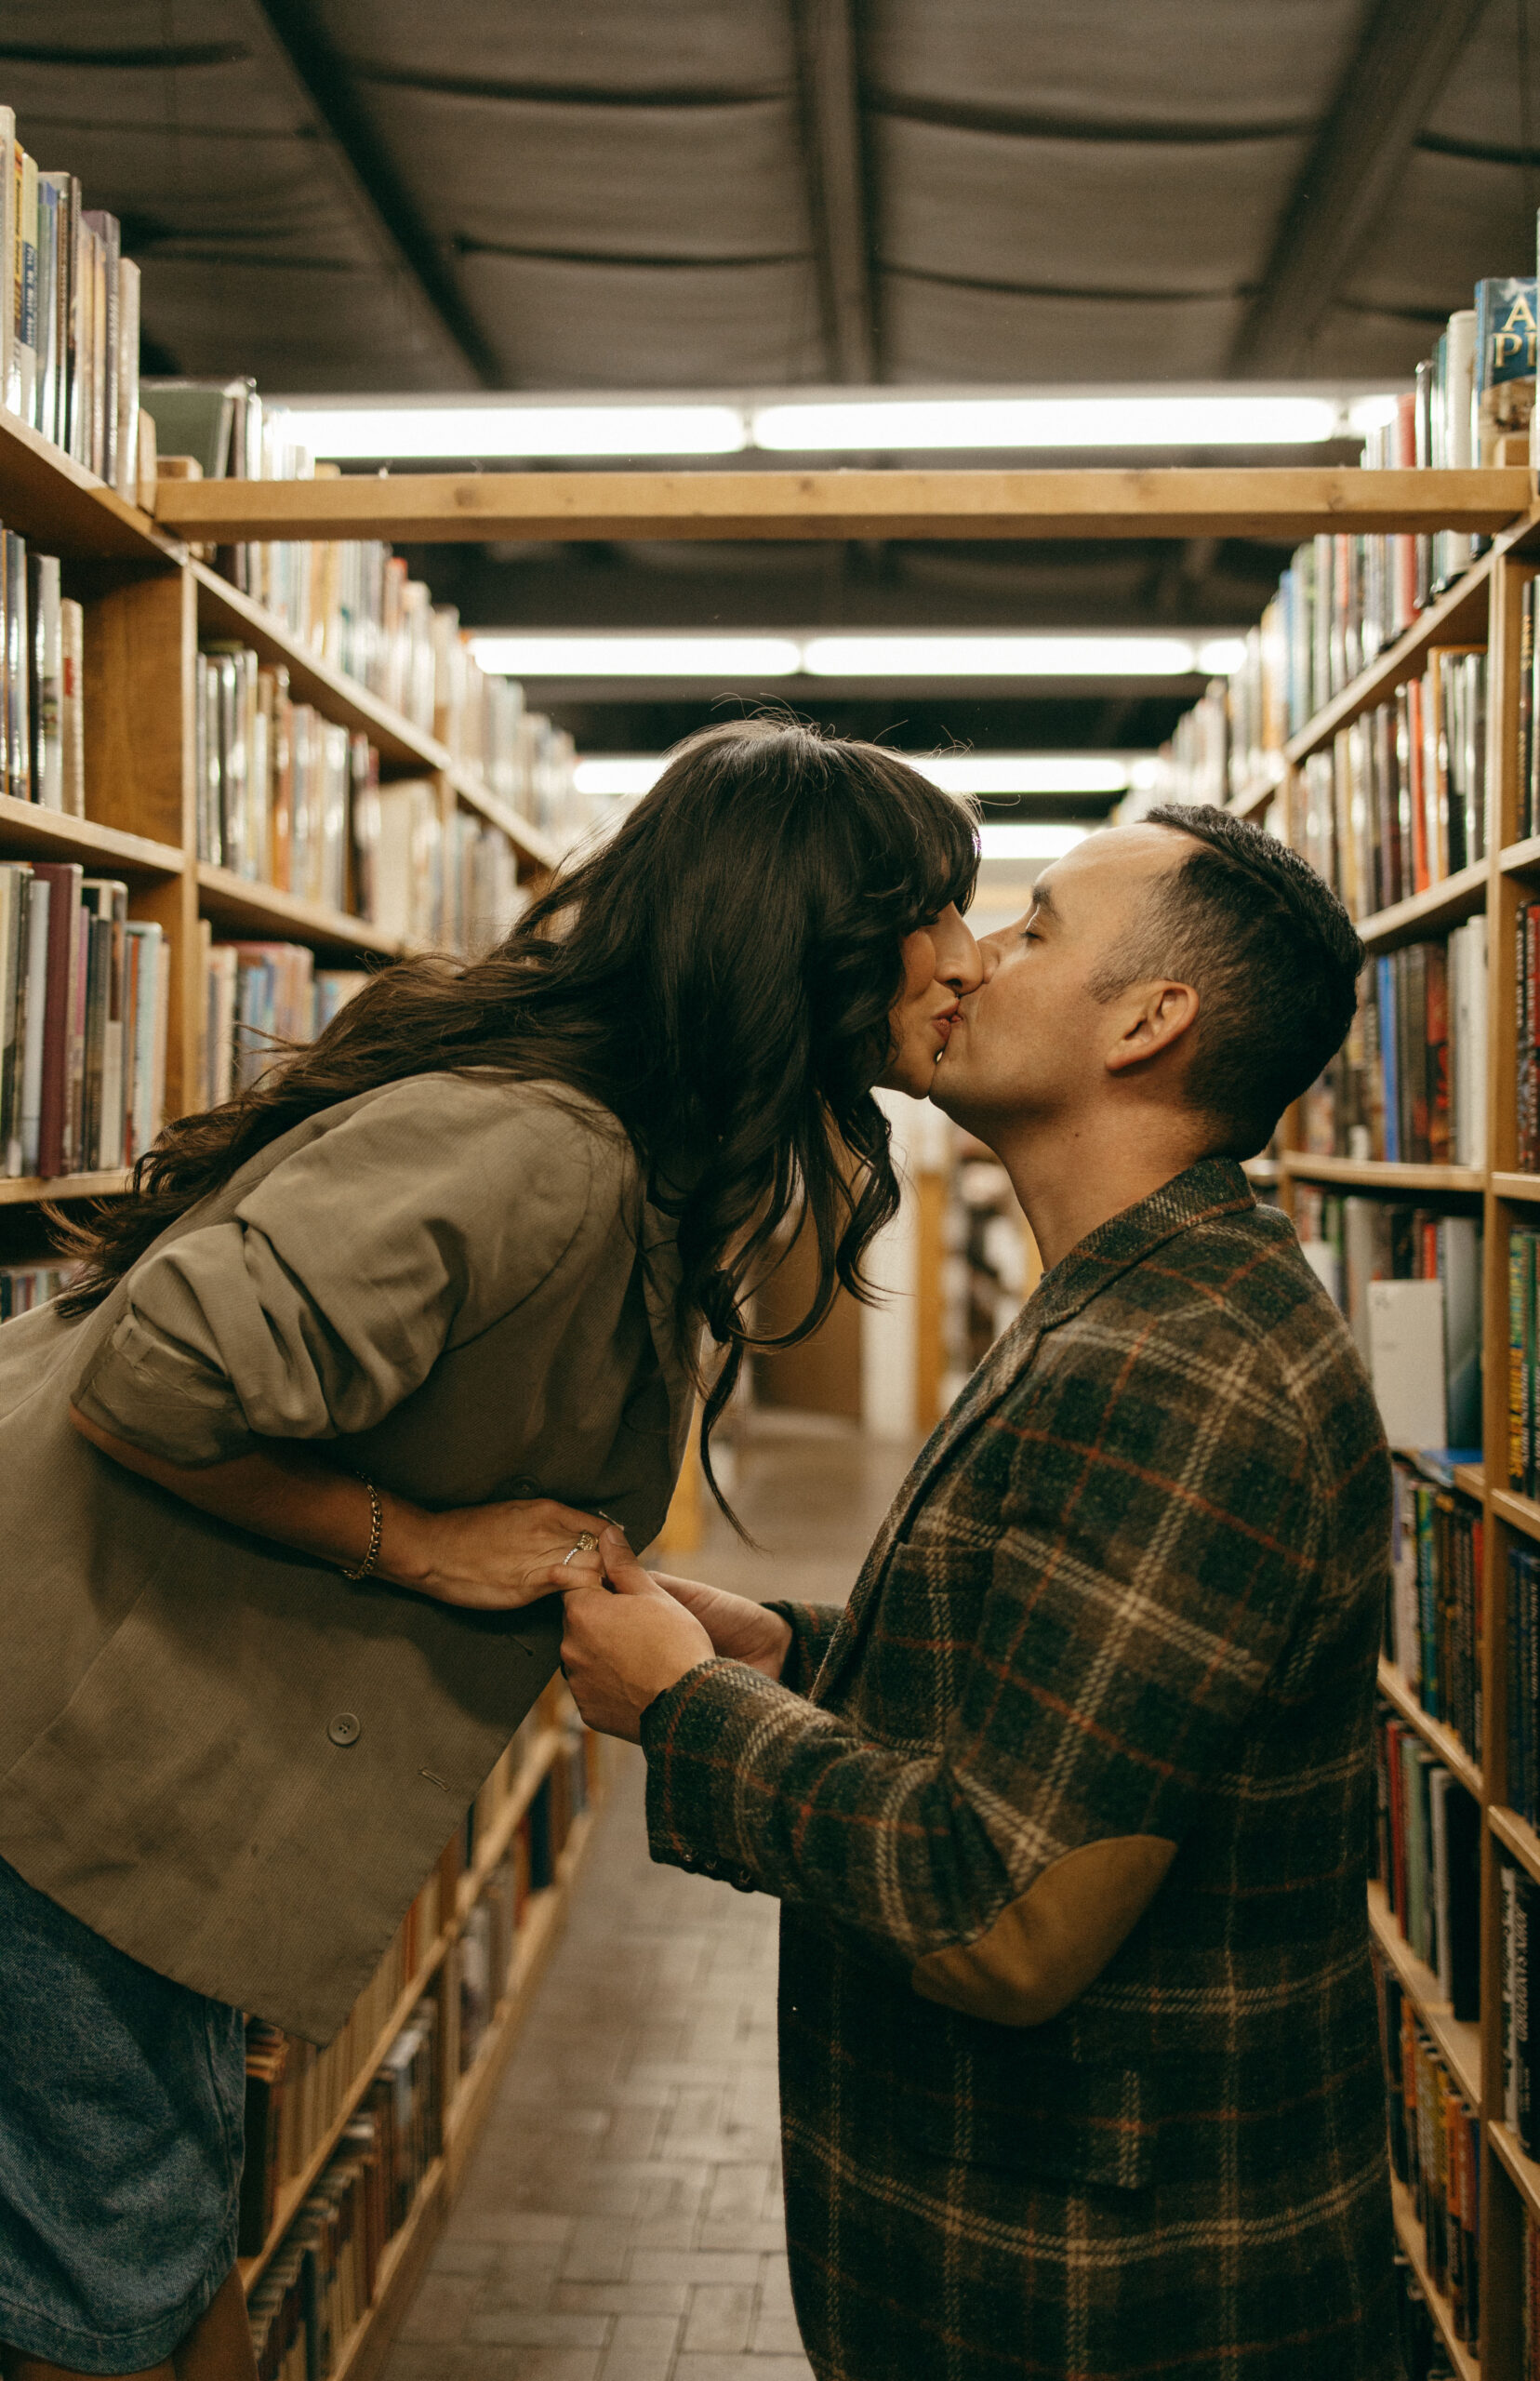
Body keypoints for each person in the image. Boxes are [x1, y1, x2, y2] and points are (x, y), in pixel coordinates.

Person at [0, 720, 983, 2381]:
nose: (963, 960)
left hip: (103, 1746)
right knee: (113, 2287)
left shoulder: (632, 1148)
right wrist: (422, 1542)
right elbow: (158, 1374)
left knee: (137, 2260)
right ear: (801, 940)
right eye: (932, 915)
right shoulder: (546, 1143)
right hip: (56, 1749)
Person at [559, 805, 1399, 2381]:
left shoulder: (1178, 1369)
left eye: (1031, 931)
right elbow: (1047, 1694)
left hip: (1106, 2306)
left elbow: (1008, 1914)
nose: (959, 960)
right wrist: (797, 1652)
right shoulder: (1132, 1298)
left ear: (1150, 1023)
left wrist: (692, 1710)